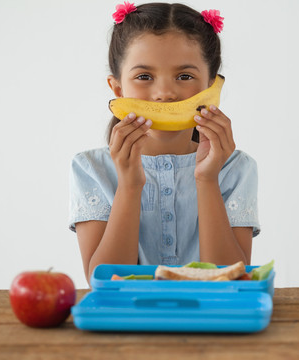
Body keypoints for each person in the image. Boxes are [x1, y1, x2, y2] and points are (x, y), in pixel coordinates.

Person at [69, 2, 260, 283]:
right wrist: (130, 186)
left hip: (211, 324)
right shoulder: (90, 169)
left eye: (184, 76)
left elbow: (229, 279)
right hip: (126, 326)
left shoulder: (236, 168)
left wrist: (207, 180)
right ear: (118, 89)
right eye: (144, 76)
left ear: (210, 88)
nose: (164, 93)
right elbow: (105, 282)